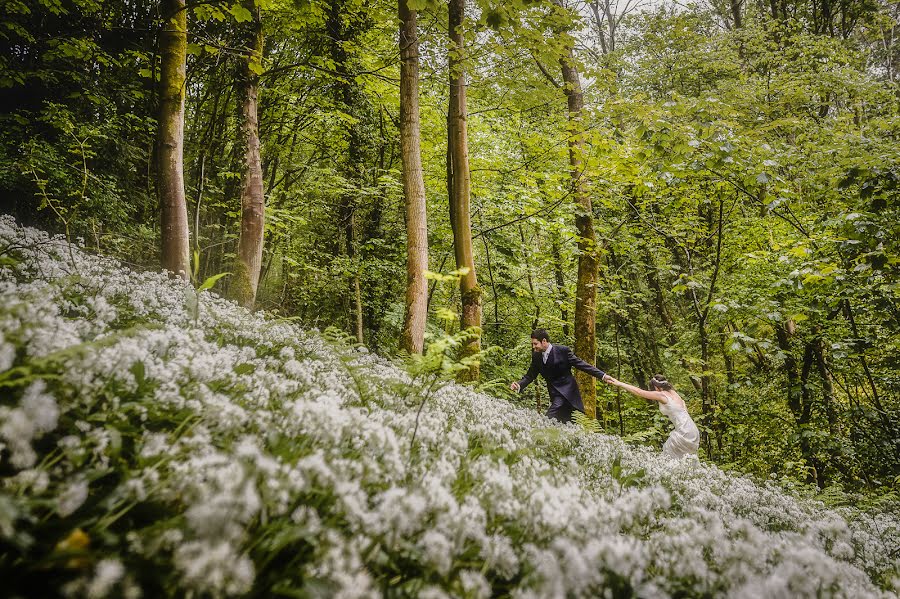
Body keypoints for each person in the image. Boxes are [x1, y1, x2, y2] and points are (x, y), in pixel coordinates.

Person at [510, 329, 610, 424]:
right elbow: (530, 375)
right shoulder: (536, 356)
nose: (533, 347)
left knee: (549, 418)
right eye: (532, 344)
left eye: (535, 343)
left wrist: (602, 375)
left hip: (567, 393)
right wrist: (518, 385)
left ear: (544, 341)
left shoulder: (563, 351)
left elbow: (581, 365)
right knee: (565, 423)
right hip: (554, 394)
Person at [603, 373, 700, 458]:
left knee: (668, 455)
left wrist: (619, 383)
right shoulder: (675, 394)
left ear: (656, 387)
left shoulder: (662, 395)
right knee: (685, 458)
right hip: (693, 430)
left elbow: (639, 392)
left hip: (684, 431)